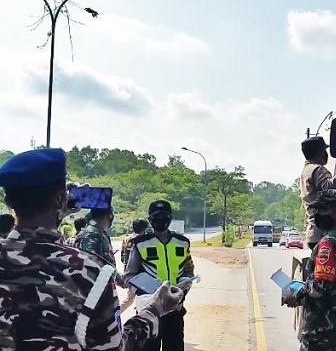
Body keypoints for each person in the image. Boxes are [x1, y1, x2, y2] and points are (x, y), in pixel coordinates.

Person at [0, 147, 185, 350]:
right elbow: (115, 346)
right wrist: (156, 309)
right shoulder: (91, 273)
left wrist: (59, 210)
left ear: (8, 201)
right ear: (61, 198)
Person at [283, 189, 336, 351]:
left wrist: (296, 295)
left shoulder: (329, 243)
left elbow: (321, 286)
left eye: (324, 209)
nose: (319, 214)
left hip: (325, 329)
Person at [124, 200, 195, 351]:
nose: (161, 219)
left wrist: (184, 288)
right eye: (156, 216)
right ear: (150, 219)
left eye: (164, 216)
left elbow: (189, 271)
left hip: (174, 309)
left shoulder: (182, 243)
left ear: (170, 218)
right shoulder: (139, 243)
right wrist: (144, 295)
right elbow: (129, 276)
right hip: (149, 312)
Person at [119, 218, 149, 313]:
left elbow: (122, 257)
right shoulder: (145, 240)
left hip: (130, 273)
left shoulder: (127, 239)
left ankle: (116, 314)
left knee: (130, 298)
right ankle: (116, 314)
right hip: (143, 274)